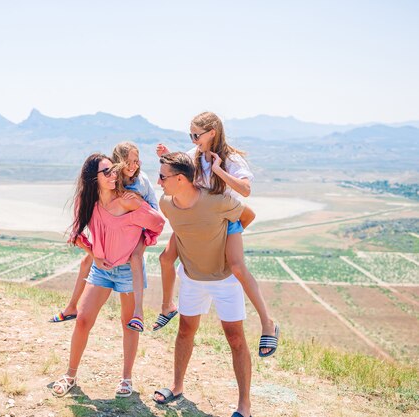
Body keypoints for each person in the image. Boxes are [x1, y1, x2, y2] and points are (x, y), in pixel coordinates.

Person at [155, 111, 278, 357]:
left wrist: (219, 170)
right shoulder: (193, 156)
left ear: (212, 133)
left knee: (237, 268)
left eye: (196, 135)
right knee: (165, 258)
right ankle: (168, 306)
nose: (192, 140)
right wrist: (166, 157)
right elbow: (180, 174)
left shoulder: (231, 159)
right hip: (196, 221)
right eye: (190, 135)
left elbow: (245, 191)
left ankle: (268, 323)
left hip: (226, 219)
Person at [51, 153, 164, 398]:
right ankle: (70, 375)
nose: (114, 175)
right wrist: (94, 253)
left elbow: (157, 223)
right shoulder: (87, 201)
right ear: (94, 177)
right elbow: (77, 234)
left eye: (114, 170)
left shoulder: (128, 200)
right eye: (107, 172)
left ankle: (126, 379)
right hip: (101, 269)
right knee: (82, 320)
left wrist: (139, 249)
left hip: (127, 270)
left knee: (129, 324)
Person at [152, 152, 256, 417]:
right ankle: (176, 386)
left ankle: (244, 406)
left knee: (235, 339)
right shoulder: (167, 204)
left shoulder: (216, 200)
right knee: (185, 331)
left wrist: (228, 243)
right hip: (191, 278)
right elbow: (181, 229)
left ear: (180, 179)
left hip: (224, 280)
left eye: (163, 177)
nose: (159, 181)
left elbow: (248, 215)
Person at [50, 142, 159, 332]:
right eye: (128, 162)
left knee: (135, 258)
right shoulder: (114, 179)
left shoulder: (139, 181)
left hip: (140, 228)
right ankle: (71, 306)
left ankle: (139, 312)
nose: (133, 166)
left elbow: (150, 211)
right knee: (89, 260)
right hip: (121, 230)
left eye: (136, 161)